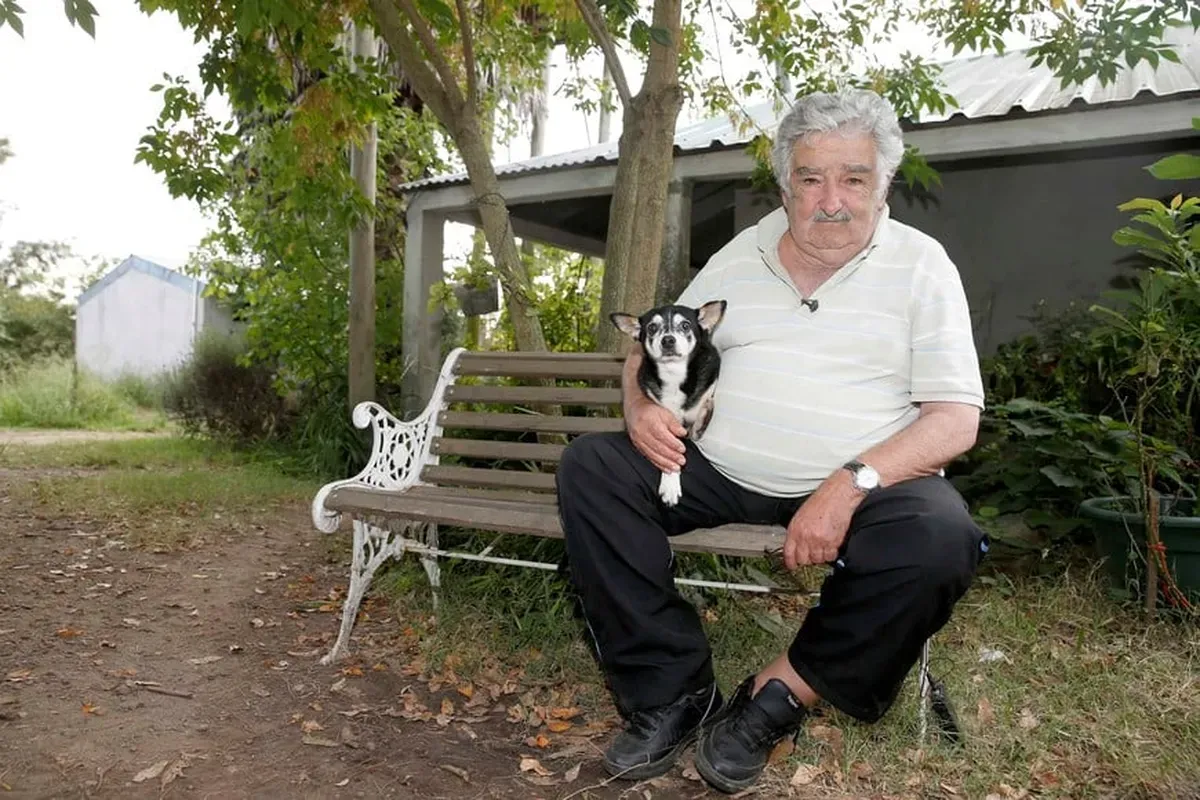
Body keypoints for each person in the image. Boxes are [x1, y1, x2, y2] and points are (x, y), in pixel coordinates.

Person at [554, 88, 990, 795]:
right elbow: (645, 357)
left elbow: (954, 420)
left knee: (940, 535)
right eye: (811, 179)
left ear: (883, 187)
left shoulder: (922, 266)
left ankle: (775, 698)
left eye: (854, 179)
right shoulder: (737, 256)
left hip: (862, 479)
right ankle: (671, 692)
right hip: (717, 465)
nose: (832, 200)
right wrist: (639, 410)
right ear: (786, 187)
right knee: (593, 467)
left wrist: (849, 483)